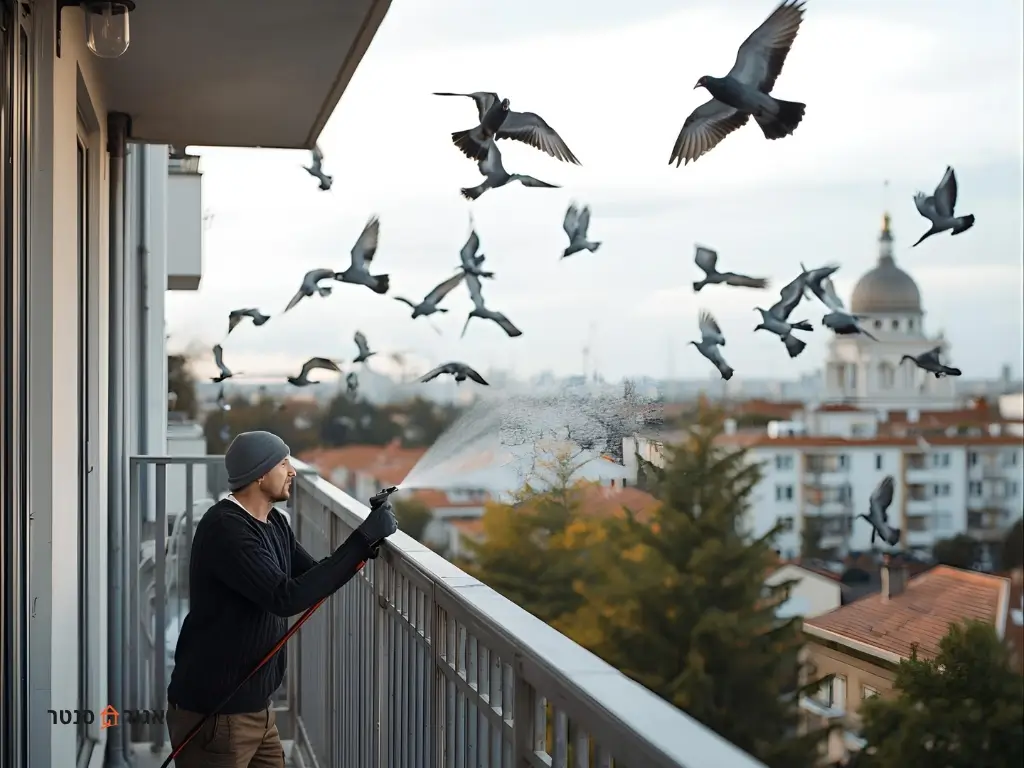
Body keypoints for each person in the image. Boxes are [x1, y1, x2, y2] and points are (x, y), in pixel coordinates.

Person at [166, 430, 397, 767]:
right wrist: (362, 540)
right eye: (283, 462)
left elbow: (313, 575)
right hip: (215, 715)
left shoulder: (273, 522)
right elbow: (286, 597)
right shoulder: (226, 530)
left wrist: (365, 539)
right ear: (260, 474)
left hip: (257, 710)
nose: (292, 471)